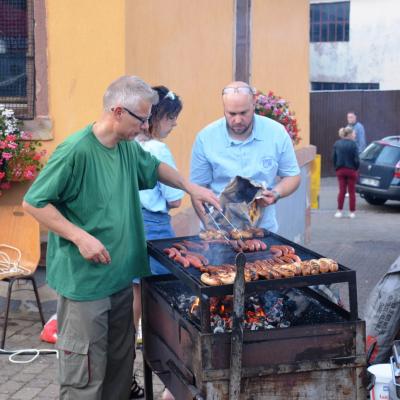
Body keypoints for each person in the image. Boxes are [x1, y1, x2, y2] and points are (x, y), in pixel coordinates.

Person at [22, 75, 219, 400]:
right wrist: (79, 237)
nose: (145, 126)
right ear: (117, 111)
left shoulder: (127, 148)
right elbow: (34, 201)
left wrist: (190, 187)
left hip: (120, 281)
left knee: (118, 370)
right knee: (84, 379)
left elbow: (154, 167)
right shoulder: (75, 151)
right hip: (86, 287)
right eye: (141, 118)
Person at [190, 81, 301, 233]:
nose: (237, 120)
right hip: (219, 230)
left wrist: (276, 193)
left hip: (262, 230)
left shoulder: (276, 133)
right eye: (231, 114)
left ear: (253, 104)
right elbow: (197, 189)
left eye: (243, 113)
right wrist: (210, 229)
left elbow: (292, 176)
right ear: (224, 108)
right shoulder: (206, 138)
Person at [132, 86, 183, 400]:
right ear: (159, 117)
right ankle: (163, 357)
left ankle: (129, 353)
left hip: (132, 222)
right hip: (155, 226)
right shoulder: (159, 151)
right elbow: (176, 199)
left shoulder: (130, 145)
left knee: (134, 289)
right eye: (173, 118)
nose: (174, 125)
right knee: (162, 294)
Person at [333, 126, 359, 219]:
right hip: (351, 170)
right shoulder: (354, 144)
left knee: (342, 191)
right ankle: (352, 212)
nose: (355, 135)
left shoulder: (337, 144)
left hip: (340, 170)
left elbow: (334, 157)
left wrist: (336, 168)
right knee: (352, 192)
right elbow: (356, 159)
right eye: (354, 133)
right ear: (350, 134)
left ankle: (339, 211)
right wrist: (356, 168)